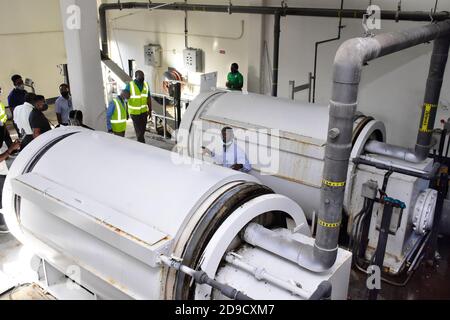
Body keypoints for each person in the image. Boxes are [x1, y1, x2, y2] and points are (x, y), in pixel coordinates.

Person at [125, 70, 152, 143]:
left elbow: (148, 98)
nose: (142, 77)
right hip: (134, 113)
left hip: (143, 112)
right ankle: (141, 143)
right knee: (139, 130)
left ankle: (140, 140)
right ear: (136, 76)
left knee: (143, 129)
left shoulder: (146, 85)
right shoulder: (130, 85)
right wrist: (126, 112)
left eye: (143, 76)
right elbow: (125, 98)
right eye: (141, 76)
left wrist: (150, 110)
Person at [0, 140, 21, 233]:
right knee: (2, 201)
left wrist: (12, 148)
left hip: (3, 171)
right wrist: (11, 149)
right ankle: (3, 224)